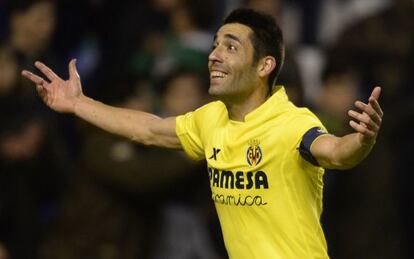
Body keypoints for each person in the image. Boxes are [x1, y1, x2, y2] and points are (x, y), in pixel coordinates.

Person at [22, 8, 383, 259]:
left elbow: (335, 151)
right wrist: (79, 104)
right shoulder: (211, 120)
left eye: (230, 47)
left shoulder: (292, 123)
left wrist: (361, 139)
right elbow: (149, 129)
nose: (214, 55)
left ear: (264, 66)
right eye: (215, 44)